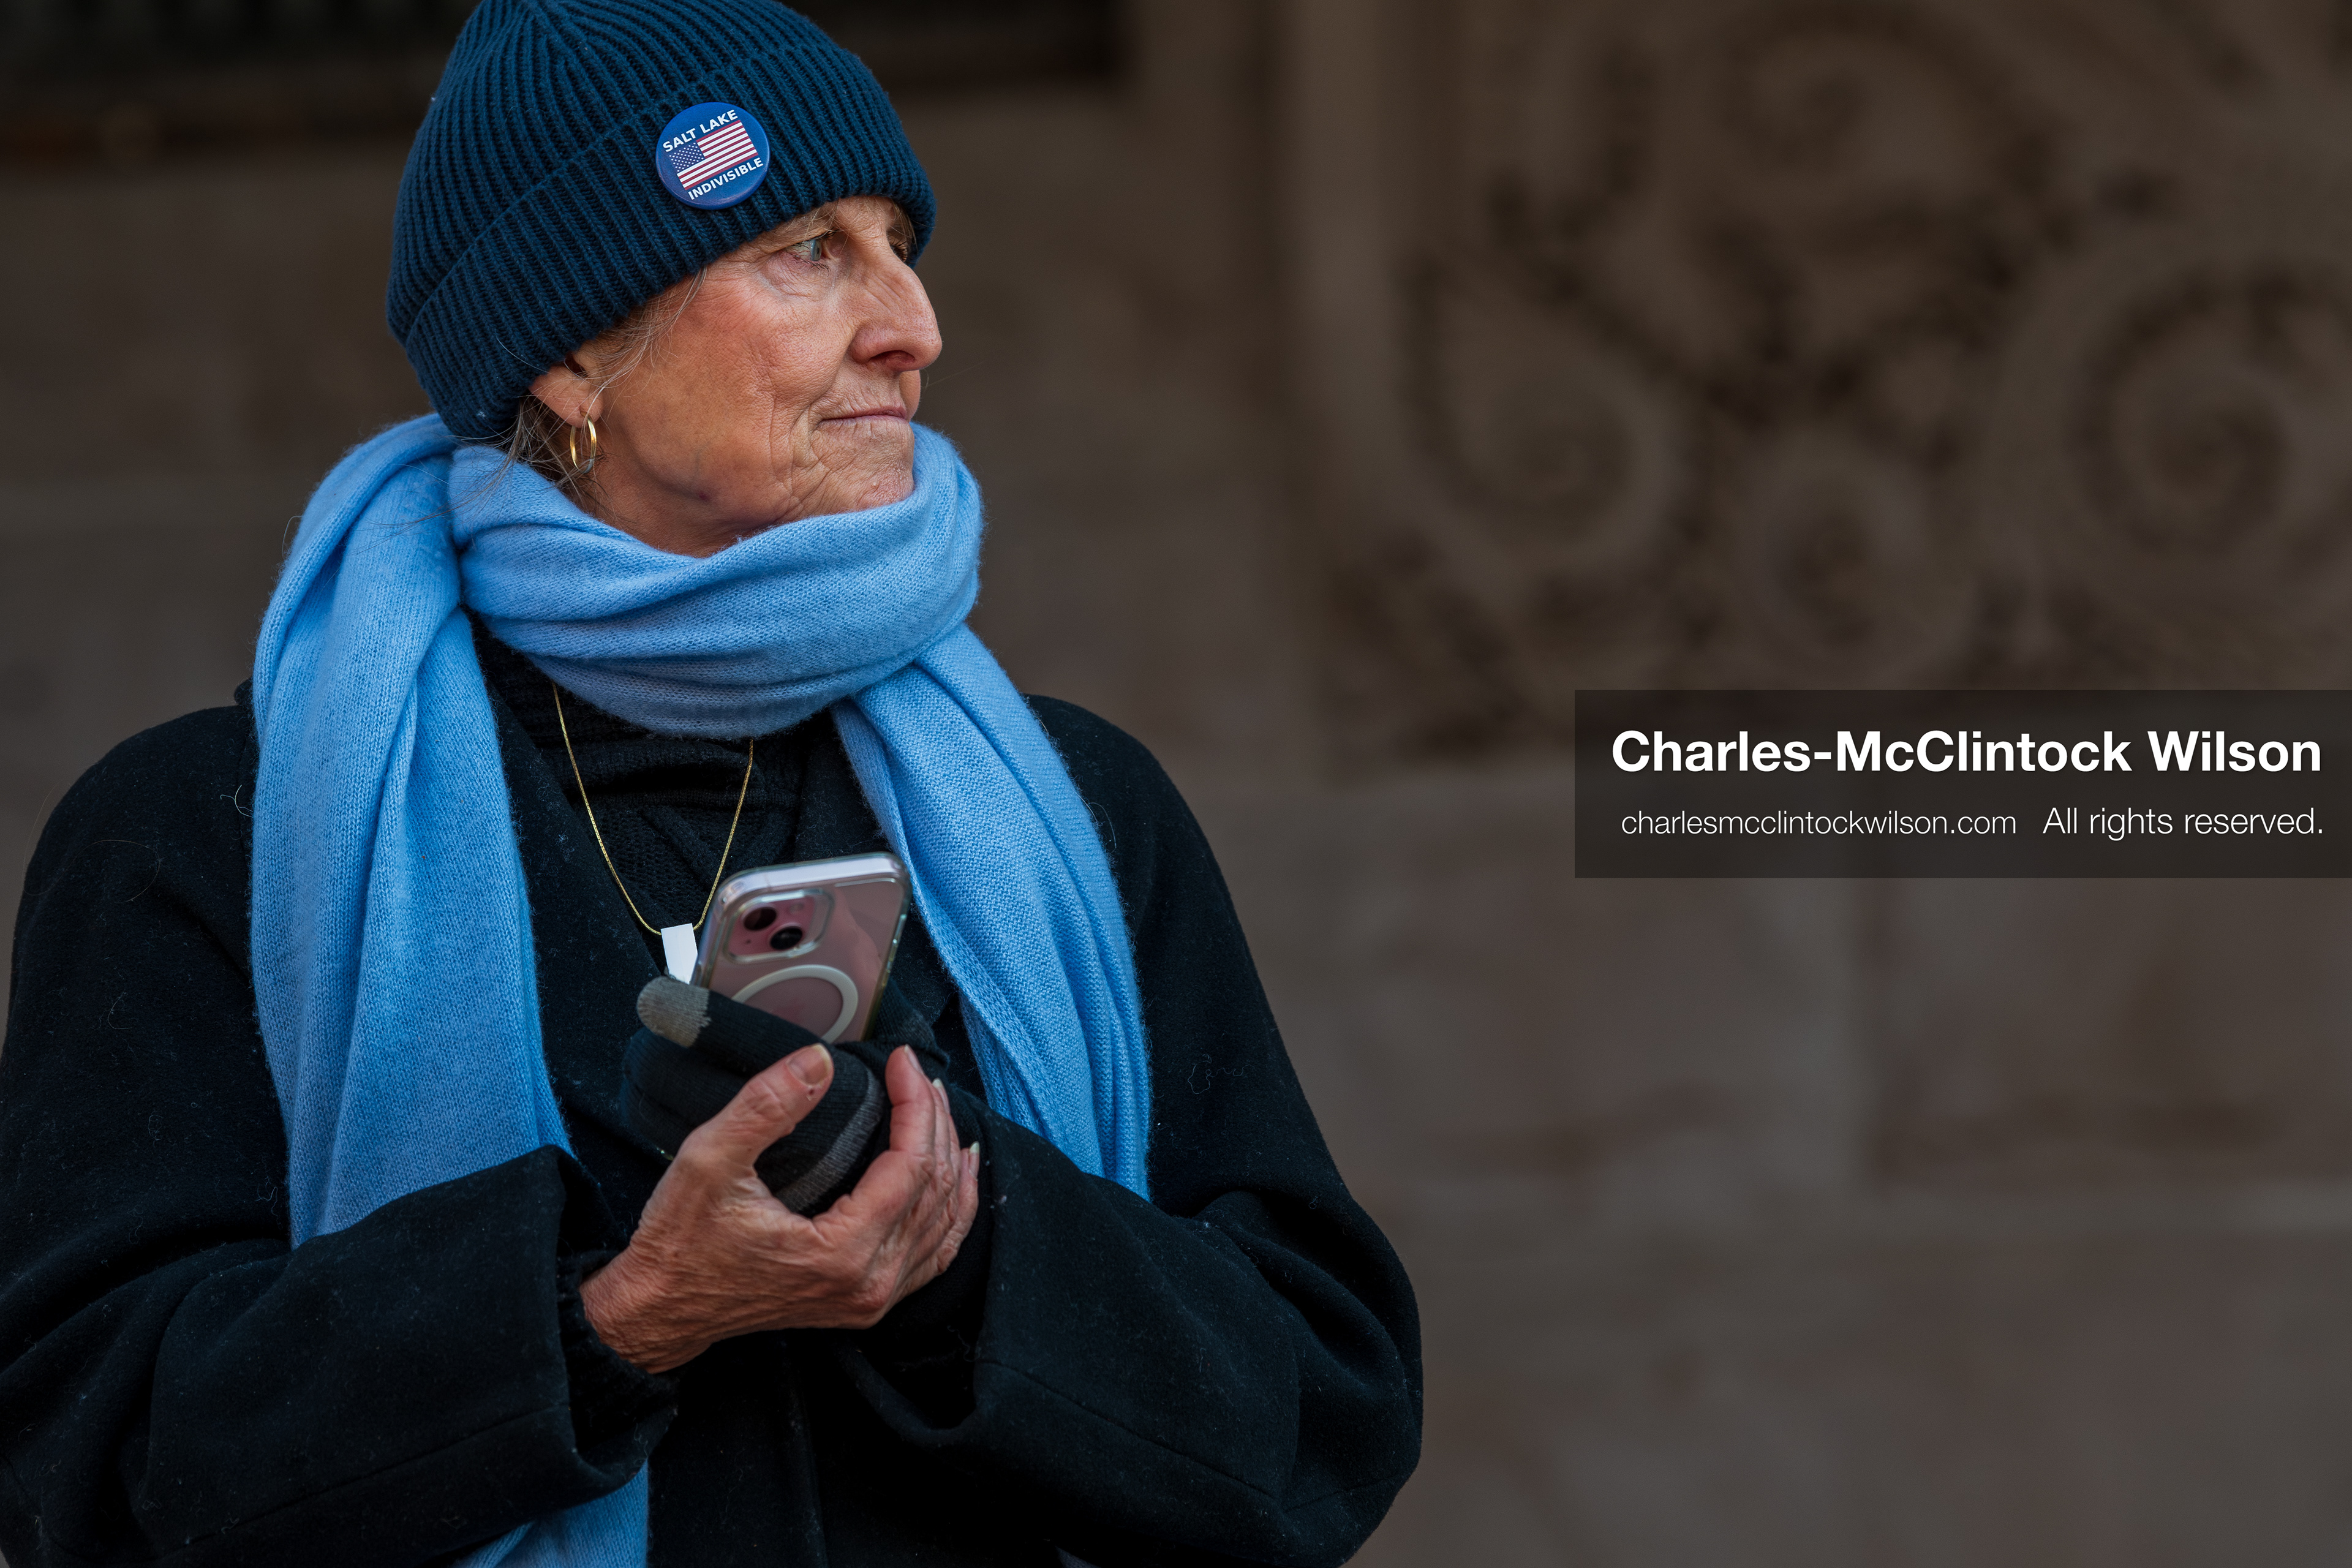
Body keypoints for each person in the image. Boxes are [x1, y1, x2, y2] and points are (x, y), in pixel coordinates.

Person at [0, 2, 1420, 1566]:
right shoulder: (213, 831)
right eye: (809, 247)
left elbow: (1320, 1419)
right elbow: (91, 1473)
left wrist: (966, 1251)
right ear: (571, 352)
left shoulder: (1078, 805)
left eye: (900, 240)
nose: (914, 324)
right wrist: (616, 1315)